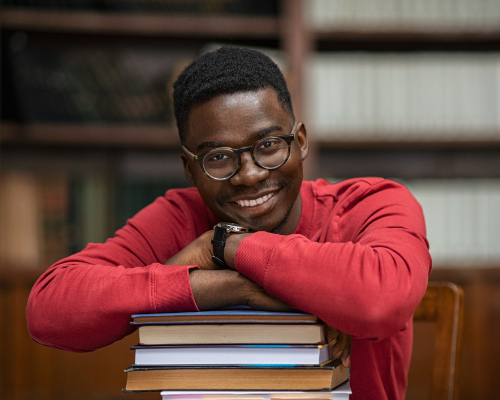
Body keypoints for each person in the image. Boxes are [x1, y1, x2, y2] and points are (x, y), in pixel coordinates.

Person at [26, 46, 431, 400]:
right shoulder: (180, 215)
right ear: (189, 168)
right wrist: (237, 287)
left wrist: (225, 246)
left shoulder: (371, 204)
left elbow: (382, 300)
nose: (250, 175)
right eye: (218, 157)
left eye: (269, 145)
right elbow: (50, 311)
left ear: (301, 142)